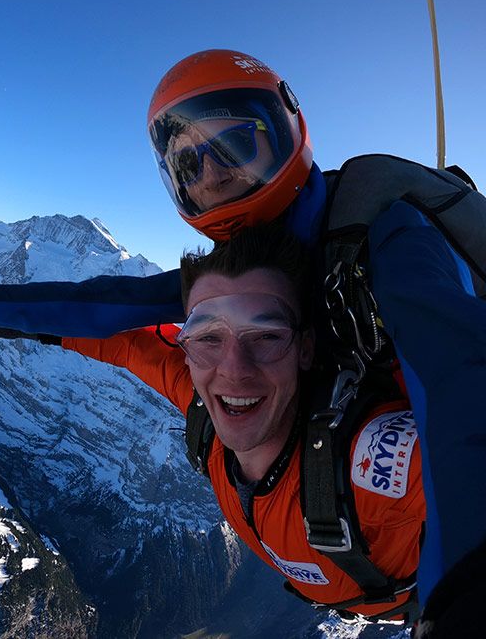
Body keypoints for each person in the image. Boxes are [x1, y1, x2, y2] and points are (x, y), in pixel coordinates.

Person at [0, 50, 486, 631]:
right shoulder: (230, 309)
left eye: (232, 143)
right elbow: (125, 317)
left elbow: (457, 381)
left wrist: (458, 593)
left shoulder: (389, 240)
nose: (214, 173)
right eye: (188, 163)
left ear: (286, 129)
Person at [58, 223, 424, 624]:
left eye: (265, 336)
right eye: (208, 336)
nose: (232, 370)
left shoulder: (374, 462)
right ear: (187, 348)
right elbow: (126, 344)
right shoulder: (202, 407)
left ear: (305, 349)